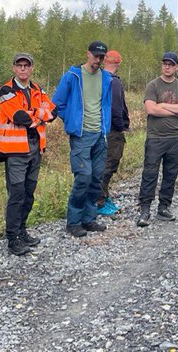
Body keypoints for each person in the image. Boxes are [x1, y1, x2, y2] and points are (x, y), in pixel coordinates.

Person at [0, 52, 57, 256]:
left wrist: (39, 115)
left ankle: (22, 231)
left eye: (27, 65)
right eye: (19, 65)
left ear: (32, 68)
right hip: (15, 151)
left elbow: (53, 112)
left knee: (29, 193)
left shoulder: (37, 89)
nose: (23, 69)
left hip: (35, 148)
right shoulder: (6, 90)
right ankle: (12, 237)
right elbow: (19, 116)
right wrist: (39, 114)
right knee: (17, 194)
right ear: (14, 67)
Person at [51, 40, 113, 237]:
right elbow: (57, 103)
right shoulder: (72, 76)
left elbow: (106, 105)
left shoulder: (106, 78)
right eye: (95, 56)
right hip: (81, 135)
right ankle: (74, 221)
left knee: (96, 179)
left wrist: (107, 127)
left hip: (100, 135)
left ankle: (89, 218)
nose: (98, 60)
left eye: (101, 57)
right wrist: (71, 120)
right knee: (83, 178)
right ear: (88, 54)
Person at [137, 51, 178, 226]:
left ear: (176, 66)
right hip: (155, 138)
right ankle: (145, 209)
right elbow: (151, 110)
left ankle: (164, 207)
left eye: (170, 64)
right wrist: (173, 108)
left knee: (170, 174)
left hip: (175, 138)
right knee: (150, 174)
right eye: (165, 63)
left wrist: (163, 105)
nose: (167, 66)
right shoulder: (153, 86)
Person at [96, 49, 130, 217]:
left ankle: (104, 197)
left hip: (99, 128)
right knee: (108, 165)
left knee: (103, 164)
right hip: (112, 130)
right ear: (118, 63)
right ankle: (100, 201)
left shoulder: (99, 77)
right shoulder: (113, 81)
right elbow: (116, 108)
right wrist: (120, 126)